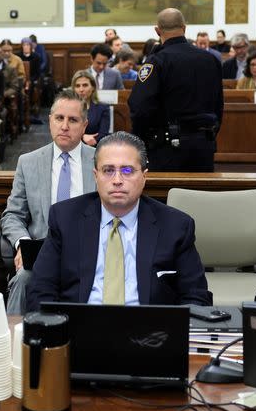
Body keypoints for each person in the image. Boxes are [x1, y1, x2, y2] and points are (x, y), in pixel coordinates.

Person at [27, 132, 212, 310]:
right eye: (108, 170)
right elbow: (41, 291)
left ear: (144, 177)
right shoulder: (65, 218)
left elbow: (196, 297)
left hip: (151, 334)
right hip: (79, 330)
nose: (117, 180)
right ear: (95, 176)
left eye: (127, 170)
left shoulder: (175, 226)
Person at [1, 90, 96, 314]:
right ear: (50, 121)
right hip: (42, 257)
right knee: (23, 279)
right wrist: (22, 245)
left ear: (84, 126)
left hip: (91, 255)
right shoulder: (28, 162)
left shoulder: (101, 161)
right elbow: (13, 215)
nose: (64, 126)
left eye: (73, 120)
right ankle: (13, 343)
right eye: (59, 118)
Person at [129, 8, 223, 172]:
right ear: (184, 28)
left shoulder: (157, 61)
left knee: (167, 196)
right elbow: (218, 104)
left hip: (167, 148)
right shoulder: (210, 59)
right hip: (204, 145)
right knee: (200, 196)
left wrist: (141, 139)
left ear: (157, 31)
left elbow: (140, 106)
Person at [72, 70, 109, 146]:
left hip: (95, 147)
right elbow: (65, 132)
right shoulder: (68, 107)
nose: (81, 89)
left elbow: (103, 133)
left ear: (93, 88)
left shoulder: (103, 108)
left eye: (85, 85)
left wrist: (92, 140)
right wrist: (82, 137)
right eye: (77, 86)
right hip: (72, 147)